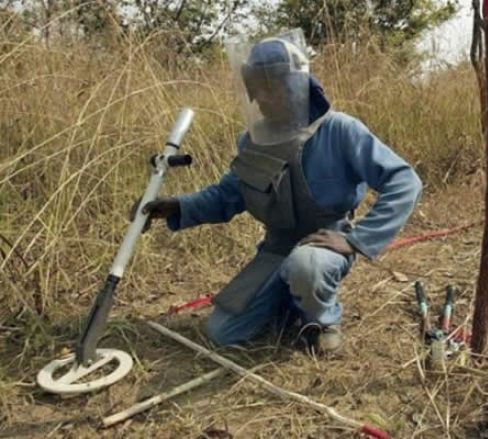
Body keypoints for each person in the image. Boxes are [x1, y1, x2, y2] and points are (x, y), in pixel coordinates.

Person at [137, 30, 422, 353]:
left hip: (323, 245)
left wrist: (356, 241)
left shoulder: (339, 130)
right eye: (259, 86)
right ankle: (290, 299)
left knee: (307, 267)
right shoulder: (254, 141)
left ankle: (323, 320)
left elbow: (404, 181)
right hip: (276, 248)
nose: (265, 96)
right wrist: (177, 206)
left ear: (299, 83)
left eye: (275, 84)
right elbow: (229, 195)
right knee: (222, 331)